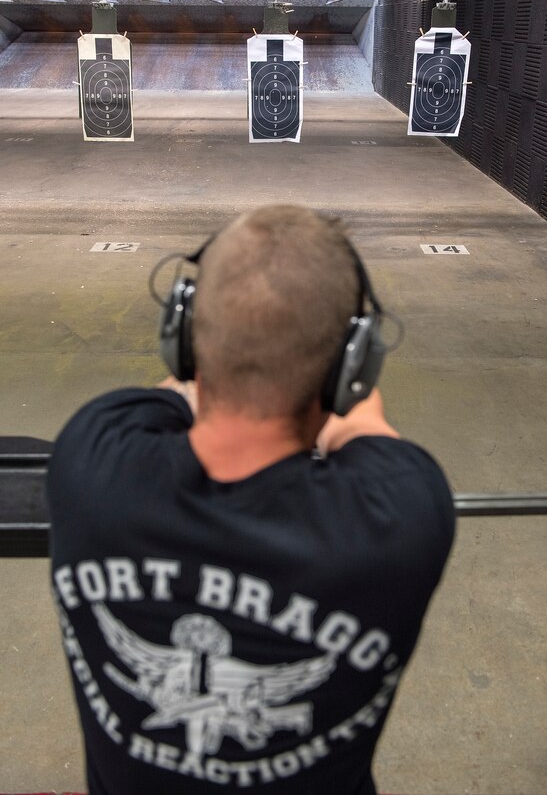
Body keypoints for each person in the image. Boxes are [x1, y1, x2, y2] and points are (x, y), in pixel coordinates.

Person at [48, 205, 455, 795]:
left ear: (183, 340)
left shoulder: (90, 456)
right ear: (352, 367)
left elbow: (178, 391)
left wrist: (223, 335)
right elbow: (359, 424)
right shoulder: (403, 513)